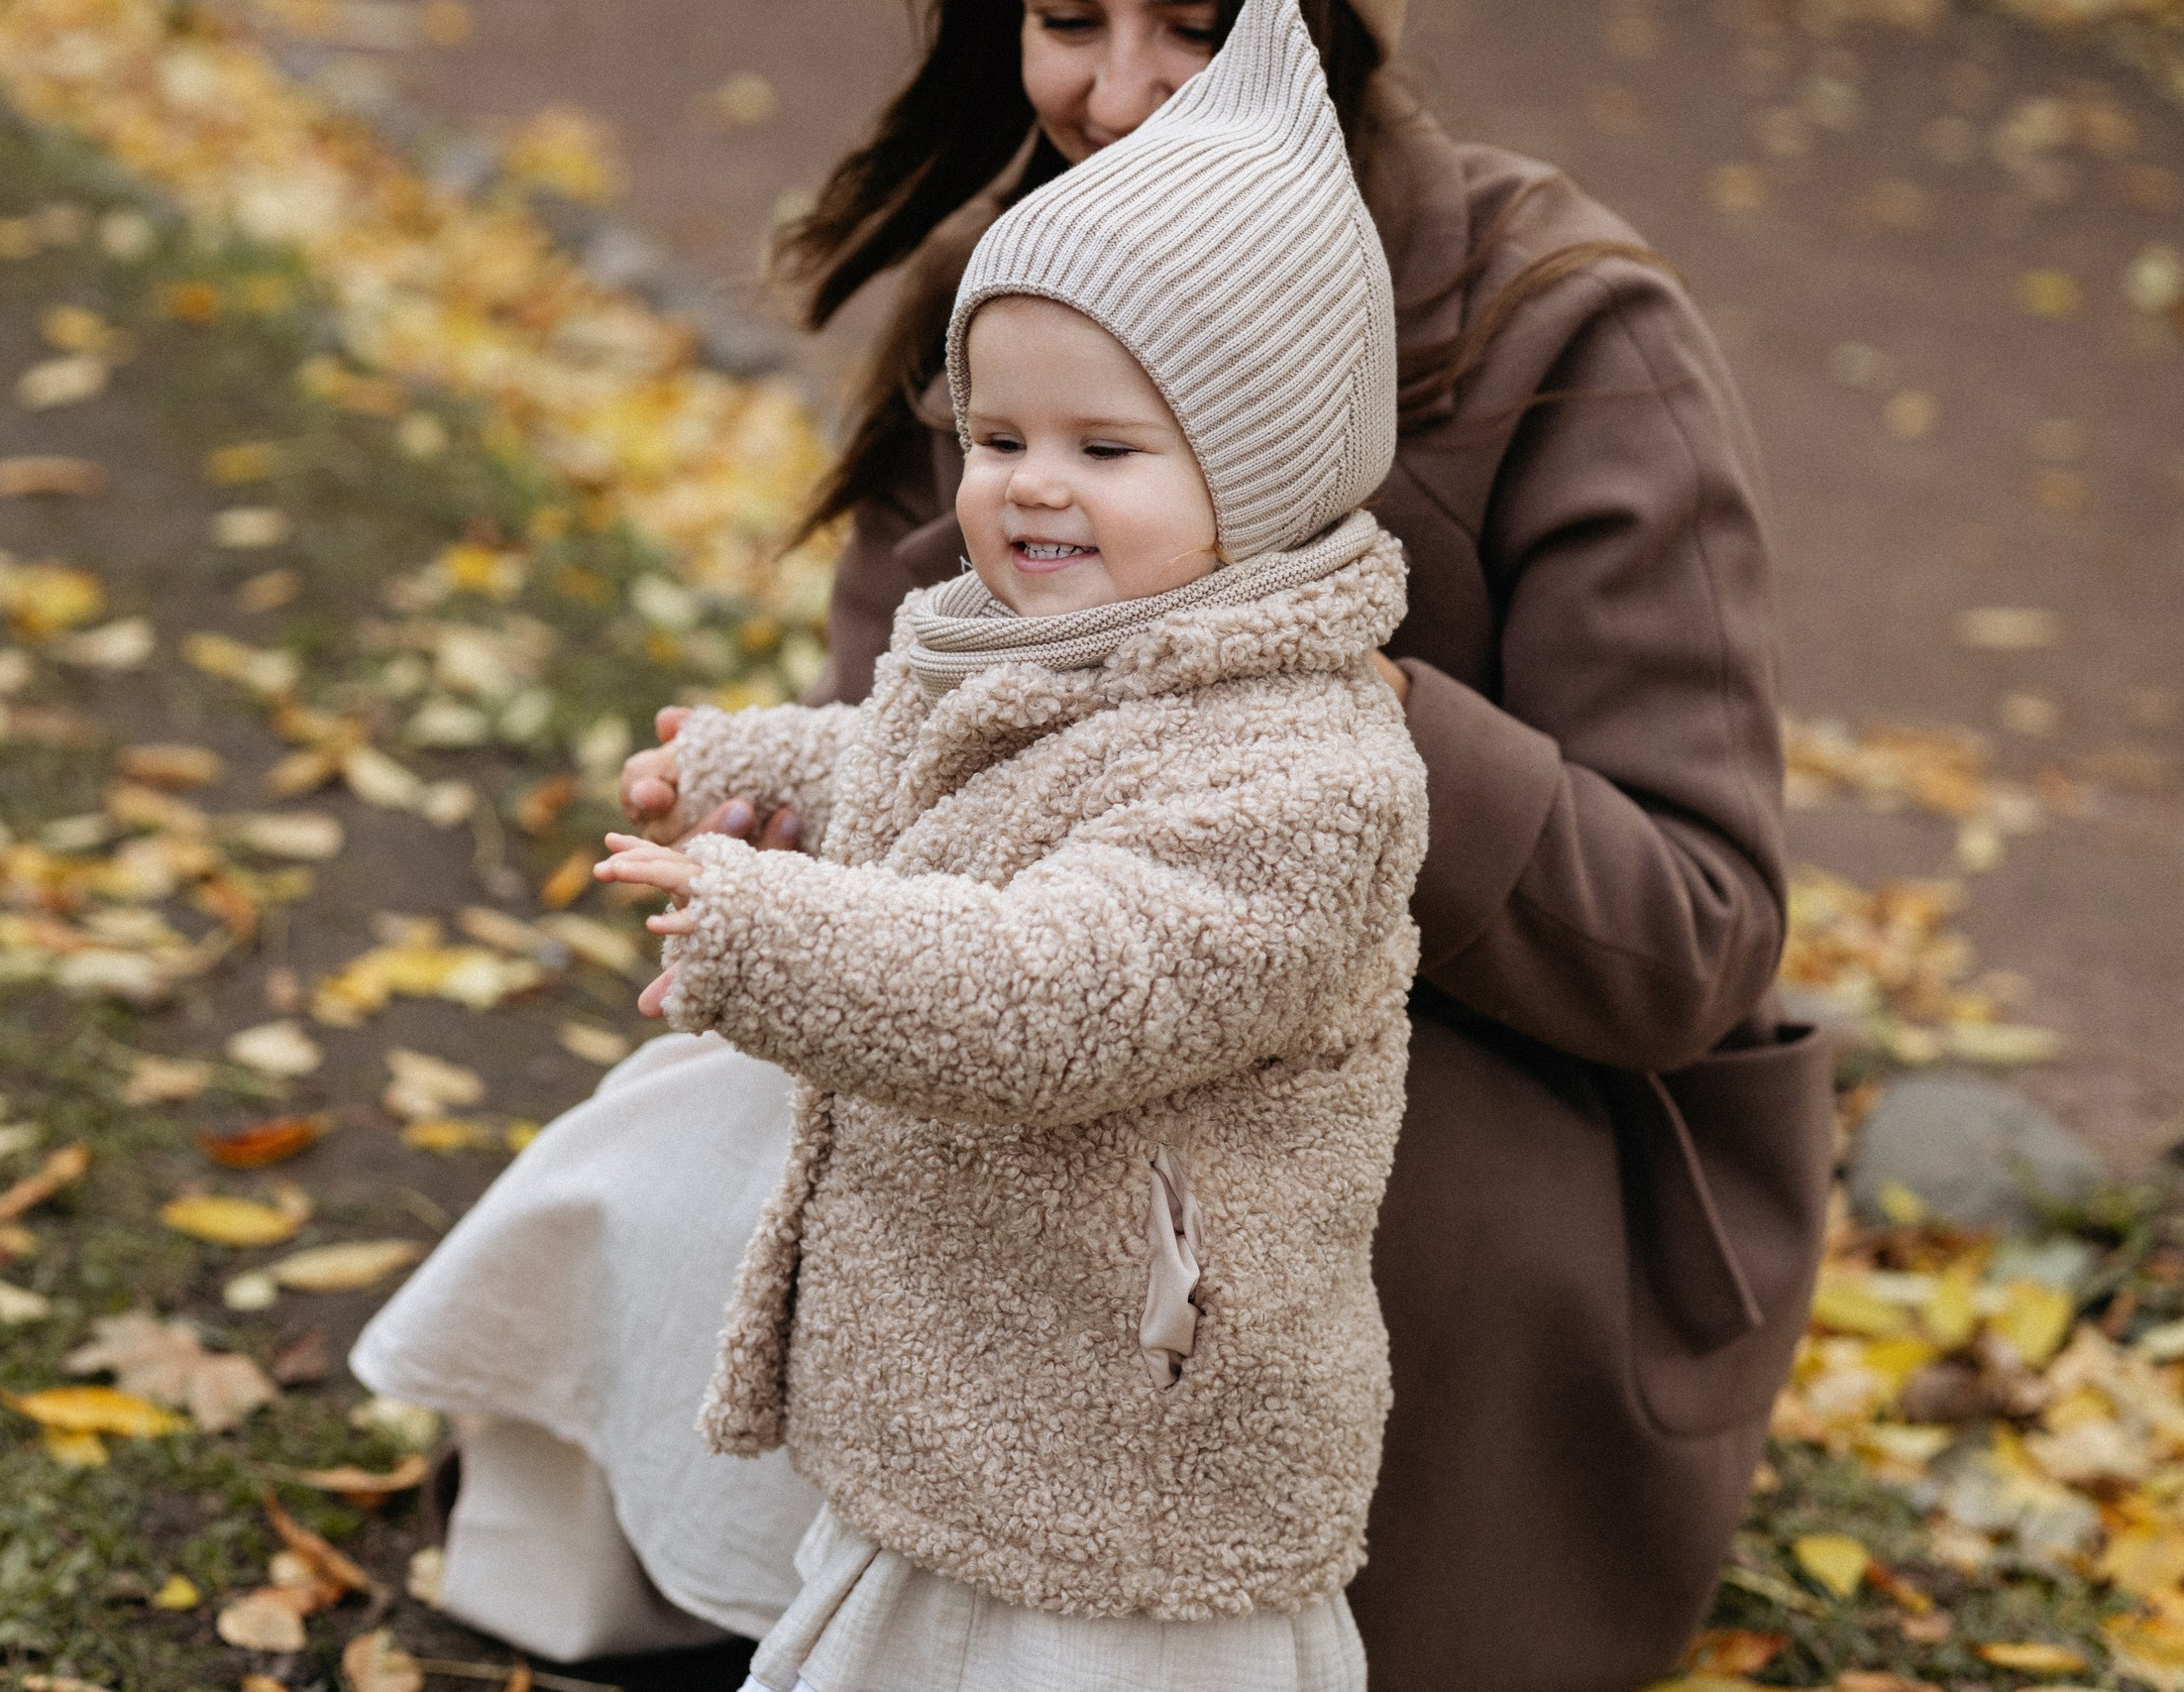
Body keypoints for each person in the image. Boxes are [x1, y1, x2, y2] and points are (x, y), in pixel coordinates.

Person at [356, 0, 1835, 1684]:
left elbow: (1697, 942)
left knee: (1131, 1286)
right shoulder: (1020, 283)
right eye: (1067, 16)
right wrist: (803, 808)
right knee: (710, 1128)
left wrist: (1306, 687)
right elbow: (925, 736)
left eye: (1194, 26)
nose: (1116, 91)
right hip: (1034, 985)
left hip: (1446, 1069)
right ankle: (720, 1588)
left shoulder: (1562, 322)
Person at [583, 9, 1421, 1683]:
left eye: (1107, 450)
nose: (1033, 489)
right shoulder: (1066, 646)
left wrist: (768, 930)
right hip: (987, 1377)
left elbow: (1058, 988)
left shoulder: (1311, 775)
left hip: (1134, 1447)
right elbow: (938, 776)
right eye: (998, 438)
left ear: (1261, 474)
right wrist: (761, 768)